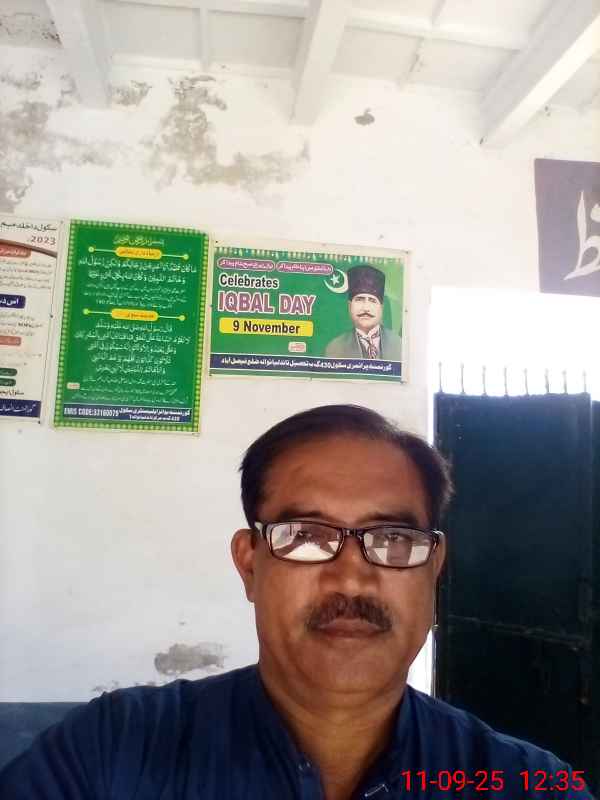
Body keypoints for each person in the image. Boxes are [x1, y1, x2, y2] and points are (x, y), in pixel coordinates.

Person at [0, 405, 594, 799]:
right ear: (249, 564)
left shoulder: (525, 785)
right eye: (306, 536)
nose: (352, 578)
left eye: (393, 539)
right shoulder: (111, 753)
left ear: (433, 570)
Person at [325, 265, 403, 361]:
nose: (366, 308)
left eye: (372, 300)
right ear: (350, 306)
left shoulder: (399, 344)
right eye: (359, 299)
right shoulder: (335, 347)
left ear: (381, 308)